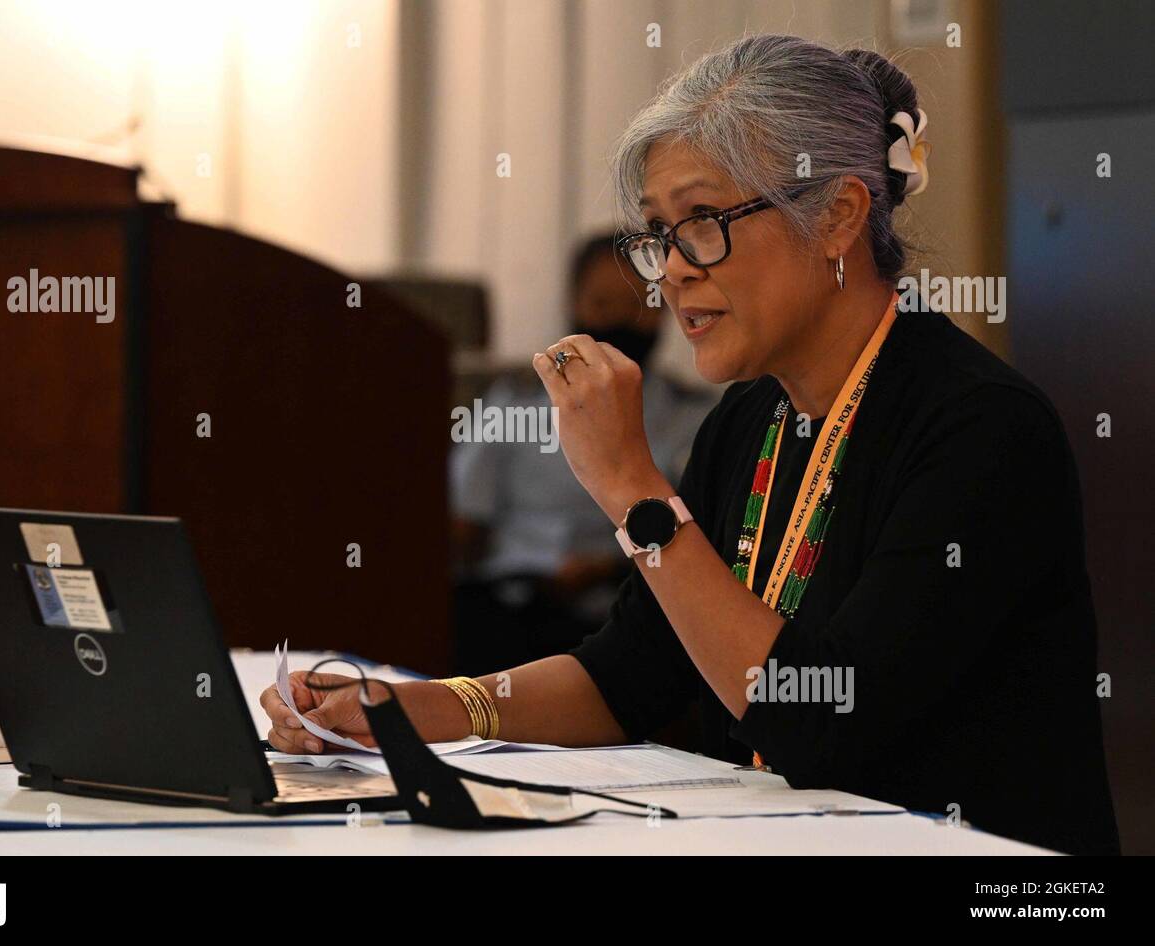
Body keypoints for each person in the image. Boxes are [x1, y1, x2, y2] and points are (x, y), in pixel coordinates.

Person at [263, 35, 1119, 855]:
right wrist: (405, 710)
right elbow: (627, 676)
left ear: (837, 216)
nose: (670, 269)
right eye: (658, 234)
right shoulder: (752, 419)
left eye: (703, 220)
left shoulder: (982, 427)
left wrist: (635, 487)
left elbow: (823, 721)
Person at [449, 234, 713, 675]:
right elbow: (463, 521)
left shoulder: (693, 415)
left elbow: (700, 533)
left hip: (621, 600)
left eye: (636, 306)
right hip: (507, 597)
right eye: (602, 305)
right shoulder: (514, 404)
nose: (620, 321)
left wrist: (603, 568)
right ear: (574, 305)